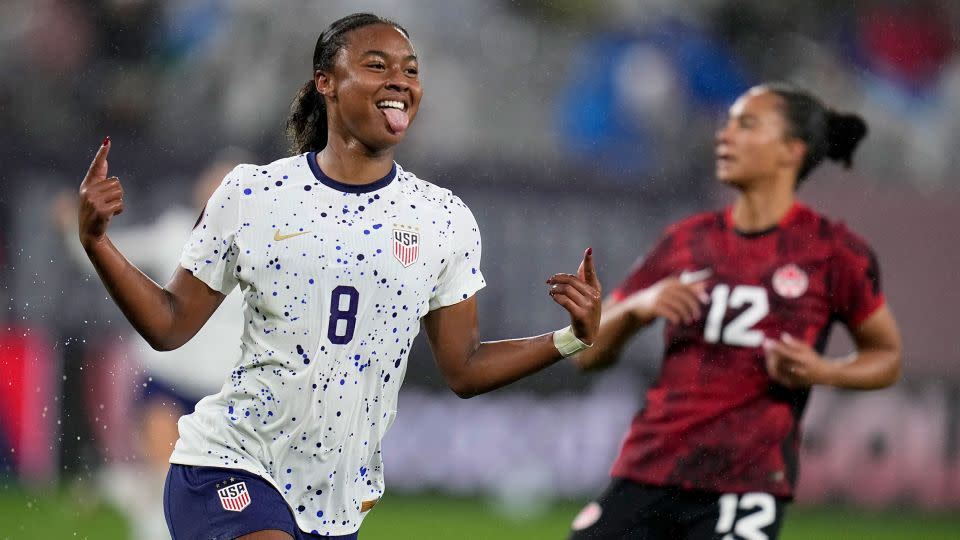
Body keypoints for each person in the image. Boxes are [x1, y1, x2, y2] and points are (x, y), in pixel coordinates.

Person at [76, 13, 601, 540]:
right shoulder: (253, 195)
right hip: (229, 462)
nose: (400, 80)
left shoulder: (443, 219)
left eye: (410, 70)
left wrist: (570, 339)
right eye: (377, 65)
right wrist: (98, 244)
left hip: (334, 504)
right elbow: (170, 324)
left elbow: (463, 369)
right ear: (325, 82)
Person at [568, 83, 902, 540]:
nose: (725, 136)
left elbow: (886, 357)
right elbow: (587, 354)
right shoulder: (685, 241)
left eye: (747, 124)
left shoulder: (834, 253)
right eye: (726, 124)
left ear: (790, 150)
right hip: (649, 469)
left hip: (746, 482)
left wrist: (823, 369)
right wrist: (638, 308)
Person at [54, 149, 250, 540]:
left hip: (225, 395)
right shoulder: (175, 233)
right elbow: (109, 253)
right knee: (165, 480)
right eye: (216, 181)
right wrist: (78, 228)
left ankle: (114, 484)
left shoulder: (268, 249)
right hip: (168, 379)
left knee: (224, 499)